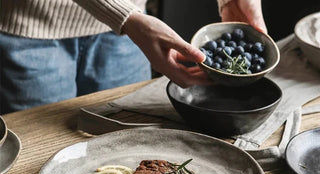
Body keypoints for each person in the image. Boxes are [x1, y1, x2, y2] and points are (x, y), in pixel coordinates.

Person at [0, 0, 266, 114]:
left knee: (129, 143)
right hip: (30, 30)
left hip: (128, 34)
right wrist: (124, 16)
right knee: (37, 156)